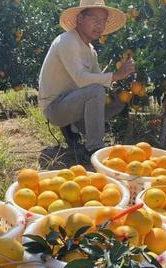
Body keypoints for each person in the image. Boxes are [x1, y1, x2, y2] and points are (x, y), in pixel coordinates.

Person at [38, 0, 136, 156]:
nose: (100, 25)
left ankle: (75, 127)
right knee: (95, 91)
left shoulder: (91, 50)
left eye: (103, 21)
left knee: (119, 101)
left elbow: (98, 80)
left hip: (74, 102)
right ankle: (94, 148)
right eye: (94, 19)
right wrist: (116, 74)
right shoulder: (67, 41)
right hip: (55, 107)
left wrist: (122, 83)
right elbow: (81, 79)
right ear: (80, 19)